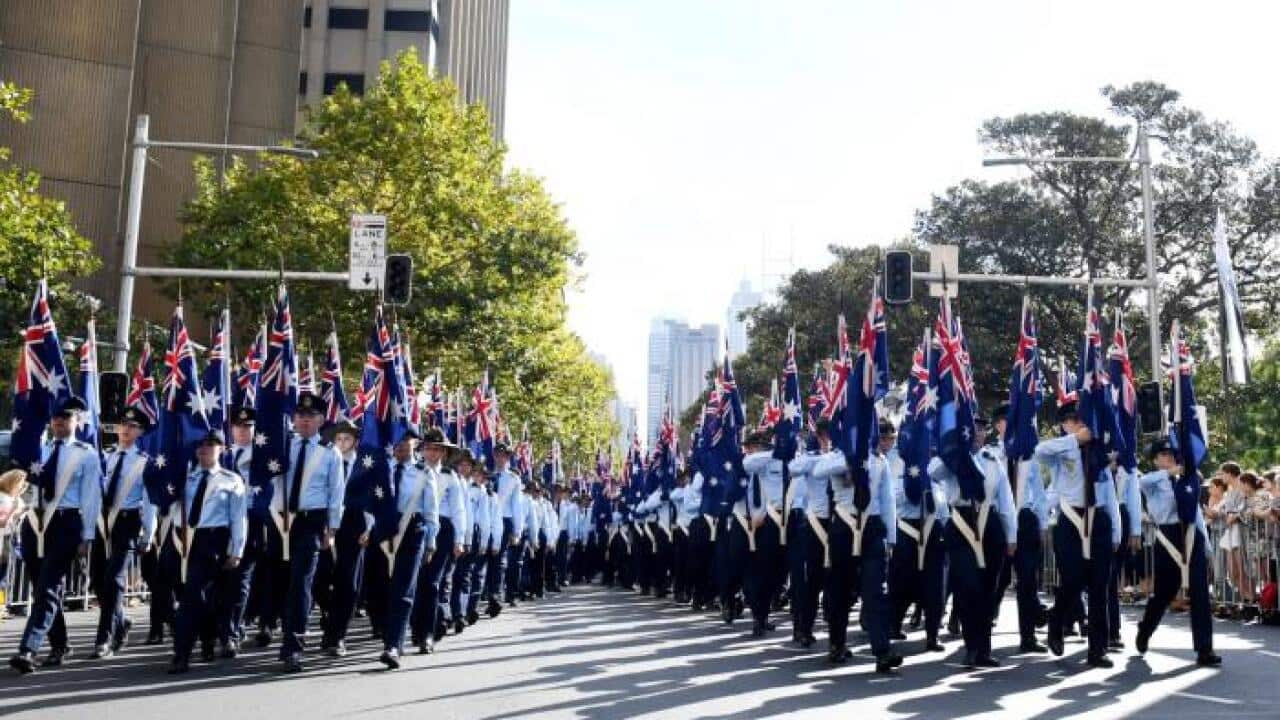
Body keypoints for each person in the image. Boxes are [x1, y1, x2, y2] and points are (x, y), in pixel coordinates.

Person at [10, 396, 102, 674]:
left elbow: (90, 497)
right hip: (36, 523)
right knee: (42, 588)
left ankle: (28, 648)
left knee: (48, 586)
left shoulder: (86, 453)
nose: (60, 421)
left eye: (66, 417)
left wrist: (87, 536)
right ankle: (60, 644)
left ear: (76, 420)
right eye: (56, 417)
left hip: (66, 523)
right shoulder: (39, 449)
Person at [1036, 401, 1121, 668]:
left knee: (1099, 586)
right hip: (1070, 520)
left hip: (1098, 519)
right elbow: (1039, 451)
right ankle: (1056, 618)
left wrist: (1116, 529)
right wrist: (1074, 440)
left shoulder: (1100, 452)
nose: (1081, 423)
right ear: (1065, 424)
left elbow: (1109, 495)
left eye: (1083, 418)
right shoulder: (1063, 449)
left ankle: (1098, 650)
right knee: (1073, 579)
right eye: (1074, 419)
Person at [817, 423, 902, 673]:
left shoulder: (879, 460)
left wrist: (891, 538)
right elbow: (820, 470)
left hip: (872, 527)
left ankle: (882, 650)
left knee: (875, 590)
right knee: (839, 590)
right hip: (843, 526)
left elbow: (887, 499)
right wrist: (851, 459)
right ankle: (837, 643)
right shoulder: (837, 456)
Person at [168, 430, 248, 674]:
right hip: (183, 539)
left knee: (197, 597)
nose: (204, 449)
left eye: (211, 444)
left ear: (222, 449)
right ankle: (205, 640)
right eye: (201, 445)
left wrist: (237, 550)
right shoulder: (183, 476)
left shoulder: (231, 479)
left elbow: (238, 517)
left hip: (212, 539)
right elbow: (168, 505)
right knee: (192, 597)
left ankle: (182, 653)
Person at [1135, 439, 1220, 667]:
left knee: (1200, 593)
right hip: (1168, 536)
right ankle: (1145, 629)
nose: (1169, 457)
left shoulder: (1186, 479)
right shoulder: (1152, 481)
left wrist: (1208, 547)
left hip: (1192, 534)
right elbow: (1142, 481)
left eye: (1172, 453)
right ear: (1154, 460)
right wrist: (1170, 473)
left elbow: (1196, 513)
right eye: (1163, 454)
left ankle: (1204, 648)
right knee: (1164, 593)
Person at [278, 392, 346, 673]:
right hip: (280, 520)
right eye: (300, 416)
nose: (304, 421)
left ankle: (293, 647)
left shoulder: (330, 452)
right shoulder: (282, 446)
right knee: (279, 582)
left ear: (320, 420)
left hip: (310, 522)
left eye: (310, 417)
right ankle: (280, 632)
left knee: (300, 584)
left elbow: (335, 493)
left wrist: (331, 529)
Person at [91, 406, 157, 659]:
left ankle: (104, 639)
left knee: (114, 580)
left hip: (127, 522)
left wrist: (148, 534)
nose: (126, 429)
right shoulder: (105, 457)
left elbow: (149, 501)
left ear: (141, 432)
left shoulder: (143, 462)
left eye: (133, 426)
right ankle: (121, 620)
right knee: (98, 579)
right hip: (102, 523)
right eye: (123, 425)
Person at [375, 428, 440, 670]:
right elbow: (374, 501)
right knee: (380, 588)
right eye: (396, 440)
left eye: (405, 440)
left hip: (412, 531)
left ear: (415, 443)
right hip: (383, 531)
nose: (400, 445)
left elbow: (431, 511)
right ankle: (385, 632)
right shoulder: (382, 468)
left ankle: (394, 645)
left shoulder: (424, 473)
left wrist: (431, 543)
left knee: (403, 590)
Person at [990, 403, 1049, 653]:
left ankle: (1028, 638)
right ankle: (979, 637)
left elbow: (1039, 494)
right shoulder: (990, 455)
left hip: (1024, 520)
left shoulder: (1028, 457)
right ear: (997, 426)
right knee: (996, 580)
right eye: (1005, 420)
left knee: (1027, 580)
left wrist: (1042, 524)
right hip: (999, 521)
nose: (1010, 425)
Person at [410, 428, 466, 654]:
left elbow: (458, 510)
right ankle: (415, 628)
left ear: (443, 452)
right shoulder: (413, 472)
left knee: (432, 584)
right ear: (422, 450)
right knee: (414, 581)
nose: (432, 453)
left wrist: (460, 539)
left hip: (442, 531)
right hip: (415, 528)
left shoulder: (449, 477)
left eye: (437, 449)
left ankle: (428, 633)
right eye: (428, 448)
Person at [321, 419, 366, 657]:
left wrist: (369, 528)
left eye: (347, 438)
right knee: (319, 578)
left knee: (347, 582)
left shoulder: (363, 465)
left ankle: (337, 635)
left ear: (355, 441)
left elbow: (373, 499)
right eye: (338, 438)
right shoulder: (325, 459)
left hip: (353, 524)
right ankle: (330, 615)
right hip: (326, 521)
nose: (342, 442)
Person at [742, 429, 787, 638]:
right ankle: (758, 618)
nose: (753, 451)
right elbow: (748, 463)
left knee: (778, 574)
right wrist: (774, 452)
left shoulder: (782, 462)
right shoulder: (757, 462)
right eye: (752, 447)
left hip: (785, 520)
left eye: (757, 446)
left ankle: (765, 613)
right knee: (763, 572)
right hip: (762, 523)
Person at [222, 405, 257, 654]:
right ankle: (223, 628)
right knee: (221, 581)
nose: (242, 430)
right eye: (238, 426)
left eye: (247, 426)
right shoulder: (223, 456)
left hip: (251, 521)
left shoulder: (263, 457)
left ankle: (234, 631)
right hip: (221, 523)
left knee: (240, 580)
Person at [451, 450, 489, 631]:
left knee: (463, 576)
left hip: (471, 535)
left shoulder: (478, 490)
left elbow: (483, 518)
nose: (464, 467)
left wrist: (484, 542)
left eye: (467, 465)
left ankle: (461, 613)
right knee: (449, 576)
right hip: (451, 533)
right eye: (461, 464)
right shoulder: (451, 482)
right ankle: (448, 613)